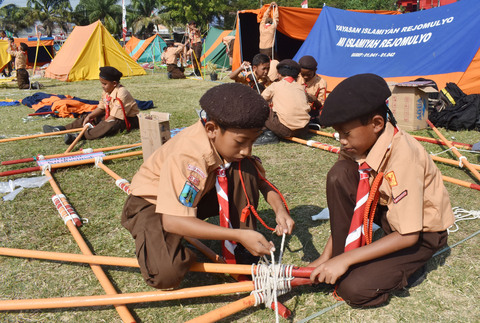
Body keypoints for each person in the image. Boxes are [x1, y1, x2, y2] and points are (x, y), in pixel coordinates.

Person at [121, 83, 294, 289]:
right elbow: (173, 221)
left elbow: (263, 184)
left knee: (245, 167)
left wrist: (280, 209)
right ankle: (167, 243)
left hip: (196, 198)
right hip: (152, 205)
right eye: (241, 141)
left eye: (253, 141)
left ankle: (241, 249)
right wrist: (237, 234)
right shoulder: (189, 156)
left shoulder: (228, 146)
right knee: (166, 274)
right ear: (211, 129)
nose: (247, 150)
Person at [308, 73, 454, 307]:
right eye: (338, 134)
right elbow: (355, 200)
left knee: (352, 288)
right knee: (340, 174)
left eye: (346, 133)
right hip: (388, 215)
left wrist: (347, 260)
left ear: (377, 124)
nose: (342, 141)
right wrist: (328, 258)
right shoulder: (359, 143)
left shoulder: (403, 156)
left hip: (421, 234)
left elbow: (409, 235)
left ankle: (409, 270)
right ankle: (341, 255)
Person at [43, 66, 140, 144]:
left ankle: (81, 136)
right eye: (101, 83)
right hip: (111, 116)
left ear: (114, 83)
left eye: (104, 84)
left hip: (127, 120)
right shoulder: (107, 91)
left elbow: (114, 117)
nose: (102, 86)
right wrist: (90, 116)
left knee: (109, 125)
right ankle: (61, 129)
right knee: (90, 117)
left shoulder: (122, 93)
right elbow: (101, 107)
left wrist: (102, 124)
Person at [256, 59, 310, 145]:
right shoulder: (301, 88)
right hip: (303, 130)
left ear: (279, 74)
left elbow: (259, 100)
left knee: (262, 108)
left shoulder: (275, 85)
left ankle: (269, 135)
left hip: (284, 130)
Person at [297, 55, 327, 125]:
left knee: (323, 116)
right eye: (303, 74)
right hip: (296, 108)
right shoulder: (297, 77)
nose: (305, 77)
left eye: (309, 74)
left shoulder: (321, 83)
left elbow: (321, 106)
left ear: (315, 70)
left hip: (311, 111)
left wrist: (315, 100)